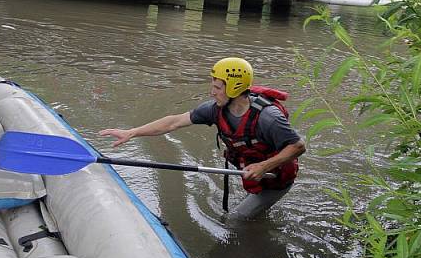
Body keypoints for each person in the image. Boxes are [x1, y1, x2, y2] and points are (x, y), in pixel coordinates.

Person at [100, 57, 306, 220]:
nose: (212, 92)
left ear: (234, 88)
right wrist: (132, 132)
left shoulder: (268, 118)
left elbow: (297, 146)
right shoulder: (214, 110)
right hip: (252, 168)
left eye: (217, 87)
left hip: (276, 177)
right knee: (252, 206)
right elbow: (174, 122)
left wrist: (263, 167)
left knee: (236, 220)